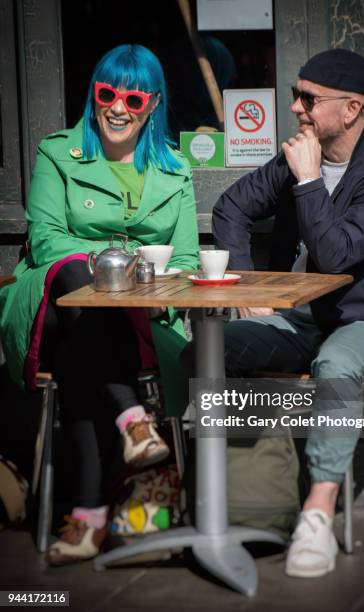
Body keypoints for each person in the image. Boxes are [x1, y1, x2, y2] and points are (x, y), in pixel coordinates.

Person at [212, 48, 364, 578]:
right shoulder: (299, 156)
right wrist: (244, 289)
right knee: (211, 348)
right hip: (308, 321)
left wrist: (307, 181)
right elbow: (230, 208)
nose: (298, 109)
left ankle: (316, 514)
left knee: (337, 364)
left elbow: (339, 257)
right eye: (295, 95)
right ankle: (235, 496)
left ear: (350, 109)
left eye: (309, 98)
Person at [0, 44, 199, 565]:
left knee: (85, 349)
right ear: (94, 94)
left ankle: (88, 516)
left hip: (138, 315)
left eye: (133, 99)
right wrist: (111, 268)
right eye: (107, 93)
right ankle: (134, 421)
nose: (118, 108)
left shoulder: (176, 170)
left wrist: (135, 290)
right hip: (54, 298)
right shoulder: (57, 152)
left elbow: (186, 257)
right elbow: (46, 239)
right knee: (74, 273)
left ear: (152, 104)